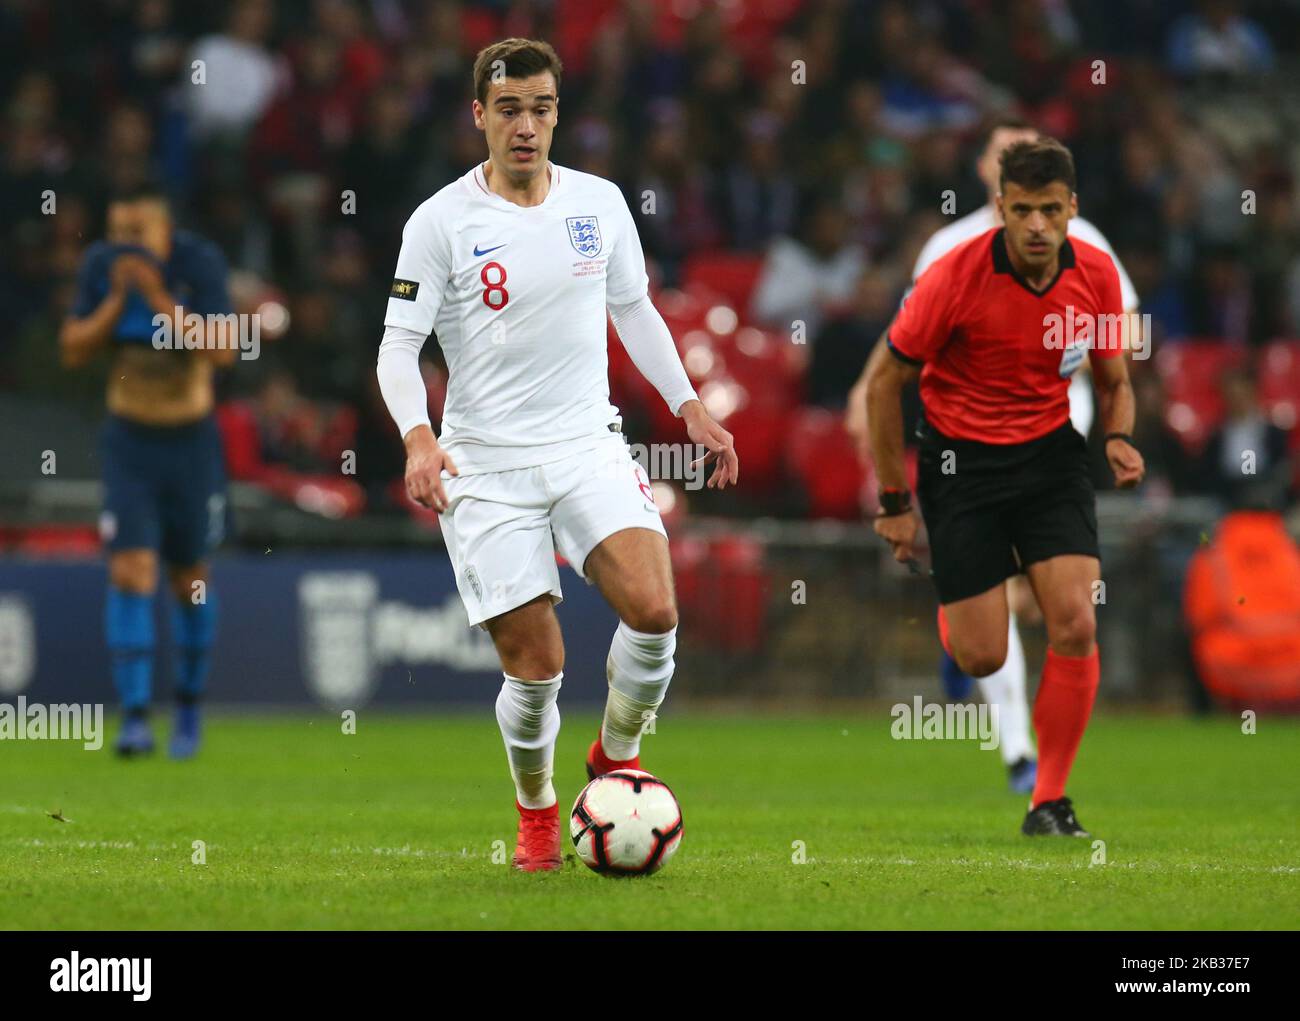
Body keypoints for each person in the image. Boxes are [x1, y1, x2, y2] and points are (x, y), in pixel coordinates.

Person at [375, 39, 739, 872]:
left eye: (540, 108)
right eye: (508, 109)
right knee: (537, 666)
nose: (526, 126)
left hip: (586, 443)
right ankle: (538, 810)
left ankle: (613, 757)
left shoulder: (601, 204)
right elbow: (398, 348)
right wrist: (419, 437)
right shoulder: (439, 222)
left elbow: (635, 311)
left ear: (557, 114)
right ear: (479, 116)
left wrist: (690, 405)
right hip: (486, 466)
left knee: (654, 610)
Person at [846, 116, 1141, 794]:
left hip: (1052, 451)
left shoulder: (1095, 264)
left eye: (1051, 210)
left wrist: (1119, 438)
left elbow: (1116, 374)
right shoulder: (952, 263)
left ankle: (1047, 792)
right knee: (985, 649)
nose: (1038, 225)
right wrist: (895, 500)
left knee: (1072, 618)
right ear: (999, 200)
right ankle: (963, 609)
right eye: (1024, 210)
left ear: (1072, 208)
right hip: (964, 463)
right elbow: (892, 372)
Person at [60, 182, 237, 758]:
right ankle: (134, 717)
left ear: (164, 232)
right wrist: (115, 302)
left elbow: (223, 351)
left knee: (190, 578)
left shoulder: (198, 265)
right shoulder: (103, 268)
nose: (124, 246)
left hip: (190, 444)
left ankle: (188, 708)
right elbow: (72, 349)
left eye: (136, 234)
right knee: (131, 570)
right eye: (117, 233)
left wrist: (158, 297)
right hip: (130, 442)